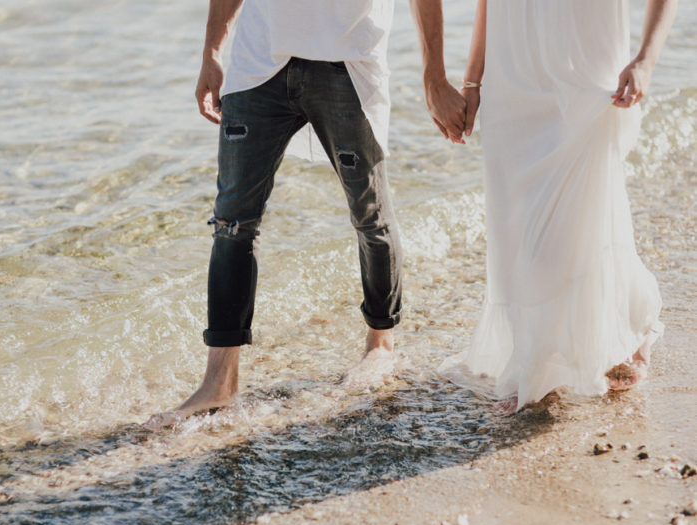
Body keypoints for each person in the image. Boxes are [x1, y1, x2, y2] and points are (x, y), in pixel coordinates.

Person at [145, 0, 467, 429]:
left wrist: (434, 75)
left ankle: (380, 344)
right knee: (231, 225)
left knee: (370, 215)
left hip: (347, 61)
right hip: (258, 62)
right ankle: (219, 381)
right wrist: (211, 53)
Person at [442, 0, 677, 413]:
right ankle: (552, 351)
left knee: (578, 218)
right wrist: (473, 81)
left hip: (586, 70)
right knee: (515, 225)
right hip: (512, 74)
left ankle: (545, 360)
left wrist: (645, 59)